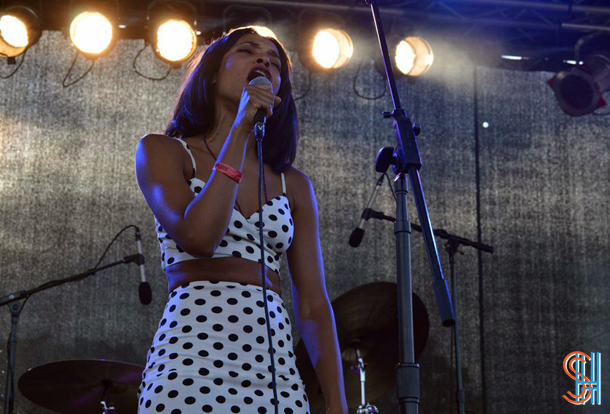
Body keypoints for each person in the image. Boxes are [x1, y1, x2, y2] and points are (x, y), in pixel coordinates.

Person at [135, 27, 348, 414]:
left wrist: (336, 402)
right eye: (248, 51)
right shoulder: (163, 151)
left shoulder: (293, 184)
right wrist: (240, 128)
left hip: (276, 371)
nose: (264, 60)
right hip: (189, 366)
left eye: (275, 60)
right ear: (214, 72)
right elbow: (200, 237)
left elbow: (314, 304)